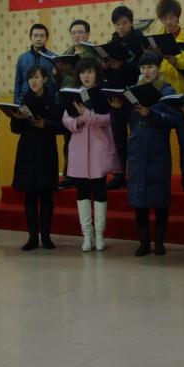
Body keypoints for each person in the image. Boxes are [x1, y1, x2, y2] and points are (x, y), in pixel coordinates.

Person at [114, 52, 179, 256]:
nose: (147, 71)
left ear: (158, 68)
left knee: (160, 198)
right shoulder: (132, 92)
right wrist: (117, 110)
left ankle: (159, 242)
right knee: (139, 198)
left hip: (158, 150)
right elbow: (125, 121)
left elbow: (174, 120)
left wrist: (151, 113)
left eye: (150, 67)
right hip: (137, 150)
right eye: (143, 68)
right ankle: (143, 242)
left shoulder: (167, 91)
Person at [63, 57, 120, 251]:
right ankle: (87, 235)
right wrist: (78, 120)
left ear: (97, 73)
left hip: (98, 148)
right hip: (79, 149)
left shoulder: (103, 93)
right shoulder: (74, 94)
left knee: (100, 190)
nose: (86, 76)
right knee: (82, 192)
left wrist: (87, 115)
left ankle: (100, 235)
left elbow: (108, 119)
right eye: (82, 72)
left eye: (89, 72)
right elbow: (66, 119)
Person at [9, 65, 64, 250]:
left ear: (45, 79)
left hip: (46, 152)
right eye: (30, 77)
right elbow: (15, 130)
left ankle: (46, 237)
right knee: (30, 197)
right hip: (27, 152)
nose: (33, 81)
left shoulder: (54, 99)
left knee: (46, 197)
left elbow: (63, 127)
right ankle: (32, 237)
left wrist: (45, 124)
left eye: (37, 77)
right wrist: (16, 118)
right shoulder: (23, 99)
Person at [153, 0, 184, 193]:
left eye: (172, 17)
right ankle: (159, 179)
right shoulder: (155, 39)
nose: (169, 21)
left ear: (178, 17)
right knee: (159, 142)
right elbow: (148, 67)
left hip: (183, 98)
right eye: (165, 18)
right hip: (161, 98)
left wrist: (178, 63)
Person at [103, 6, 144, 190]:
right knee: (118, 139)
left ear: (131, 22)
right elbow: (109, 74)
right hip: (115, 97)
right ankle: (119, 175)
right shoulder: (111, 43)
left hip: (135, 95)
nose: (121, 27)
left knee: (136, 138)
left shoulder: (140, 41)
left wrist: (122, 66)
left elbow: (143, 69)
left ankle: (135, 174)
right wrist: (105, 68)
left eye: (124, 23)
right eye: (117, 24)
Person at [55, 19, 97, 188]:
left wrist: (69, 70)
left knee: (89, 141)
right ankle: (69, 174)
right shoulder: (66, 54)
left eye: (80, 32)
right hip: (68, 99)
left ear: (88, 34)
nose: (77, 36)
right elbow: (59, 82)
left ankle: (90, 173)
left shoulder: (93, 54)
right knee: (69, 141)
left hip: (87, 100)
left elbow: (90, 76)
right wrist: (56, 73)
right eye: (74, 33)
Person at [13, 23, 55, 104]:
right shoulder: (22, 58)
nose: (38, 39)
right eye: (35, 36)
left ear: (47, 38)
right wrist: (16, 102)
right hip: (25, 100)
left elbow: (57, 83)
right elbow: (18, 82)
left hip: (47, 101)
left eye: (42, 36)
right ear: (30, 37)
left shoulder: (53, 58)